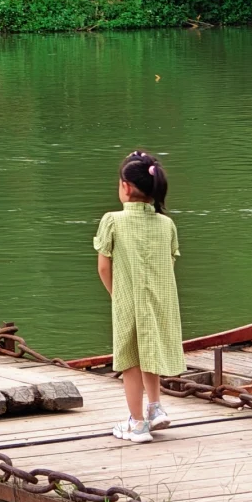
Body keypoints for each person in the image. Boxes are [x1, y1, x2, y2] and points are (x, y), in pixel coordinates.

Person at [94, 150, 185, 444]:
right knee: (151, 350)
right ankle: (155, 408)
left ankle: (136, 424)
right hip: (161, 299)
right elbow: (168, 263)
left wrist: (115, 295)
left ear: (126, 187)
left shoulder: (112, 221)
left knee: (130, 358)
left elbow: (104, 266)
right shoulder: (166, 224)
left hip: (128, 298)